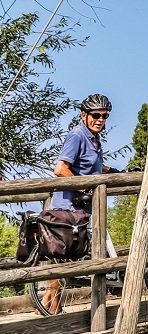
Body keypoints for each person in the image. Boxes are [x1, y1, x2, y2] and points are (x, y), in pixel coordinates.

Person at [45, 93, 118, 313]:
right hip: (68, 208)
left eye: (104, 116)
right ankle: (54, 307)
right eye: (96, 115)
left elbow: (88, 165)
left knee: (67, 259)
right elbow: (61, 169)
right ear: (84, 115)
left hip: (81, 209)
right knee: (63, 258)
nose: (100, 120)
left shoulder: (94, 140)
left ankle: (47, 306)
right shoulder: (77, 135)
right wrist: (83, 187)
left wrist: (111, 172)